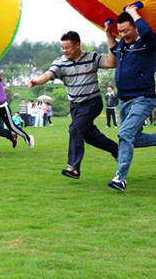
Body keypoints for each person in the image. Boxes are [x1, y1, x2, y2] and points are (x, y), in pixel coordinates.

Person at [29, 30, 118, 179]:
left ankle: (74, 168)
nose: (64, 51)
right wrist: (37, 81)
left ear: (77, 45)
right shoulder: (60, 63)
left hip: (92, 103)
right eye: (62, 48)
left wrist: (109, 38)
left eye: (67, 47)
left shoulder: (92, 57)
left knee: (75, 129)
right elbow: (48, 74)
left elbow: (111, 63)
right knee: (89, 136)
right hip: (75, 106)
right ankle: (116, 150)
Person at [105, 7, 156, 191]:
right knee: (133, 139)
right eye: (120, 31)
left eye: (126, 30)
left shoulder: (147, 44)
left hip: (143, 98)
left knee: (125, 134)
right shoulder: (122, 46)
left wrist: (133, 11)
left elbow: (146, 30)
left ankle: (121, 178)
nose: (123, 34)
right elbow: (112, 47)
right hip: (125, 100)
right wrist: (108, 33)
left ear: (135, 27)